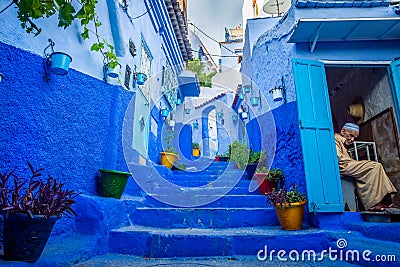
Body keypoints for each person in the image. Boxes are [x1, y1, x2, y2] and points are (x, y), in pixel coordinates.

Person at [335, 122, 398, 211]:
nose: (352, 139)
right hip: (342, 166)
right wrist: (356, 163)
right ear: (343, 131)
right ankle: (376, 203)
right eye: (351, 135)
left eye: (354, 138)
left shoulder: (344, 144)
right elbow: (339, 160)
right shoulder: (335, 140)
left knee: (376, 168)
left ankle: (386, 202)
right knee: (374, 166)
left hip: (347, 165)